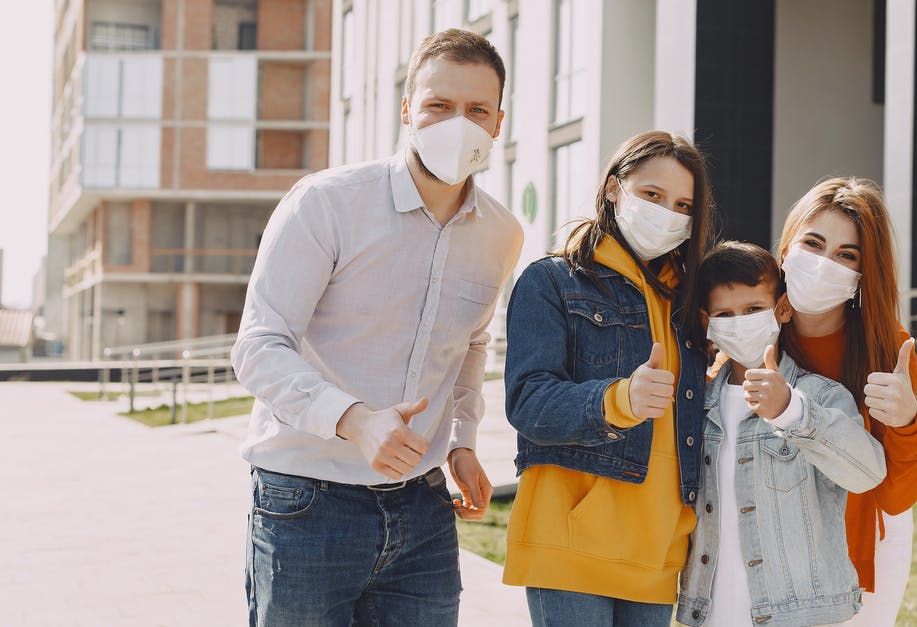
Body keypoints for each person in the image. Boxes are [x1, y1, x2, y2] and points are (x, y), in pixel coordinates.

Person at [231, 29, 522, 625]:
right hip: (305, 501)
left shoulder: (501, 234)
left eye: (476, 110)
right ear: (408, 108)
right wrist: (356, 420)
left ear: (498, 123)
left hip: (423, 510)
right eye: (439, 105)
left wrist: (462, 441)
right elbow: (259, 347)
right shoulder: (325, 203)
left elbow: (470, 345)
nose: (457, 122)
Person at [502, 130, 715, 627]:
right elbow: (529, 402)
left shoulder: (689, 303)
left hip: (660, 551)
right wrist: (619, 399)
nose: (668, 213)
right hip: (571, 546)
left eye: (684, 205)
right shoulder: (551, 279)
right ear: (614, 188)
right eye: (653, 195)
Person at [676, 241, 887, 626]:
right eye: (726, 313)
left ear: (783, 309)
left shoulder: (820, 396)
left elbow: (868, 472)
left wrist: (791, 411)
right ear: (708, 322)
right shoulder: (695, 407)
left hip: (799, 616)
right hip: (707, 615)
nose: (740, 322)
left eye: (754, 309)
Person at [776, 177, 917, 626]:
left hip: (860, 553)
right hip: (770, 542)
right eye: (813, 243)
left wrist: (907, 421)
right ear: (787, 247)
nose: (825, 264)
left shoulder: (888, 350)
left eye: (846, 255)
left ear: (863, 274)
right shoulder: (749, 326)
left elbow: (897, 497)